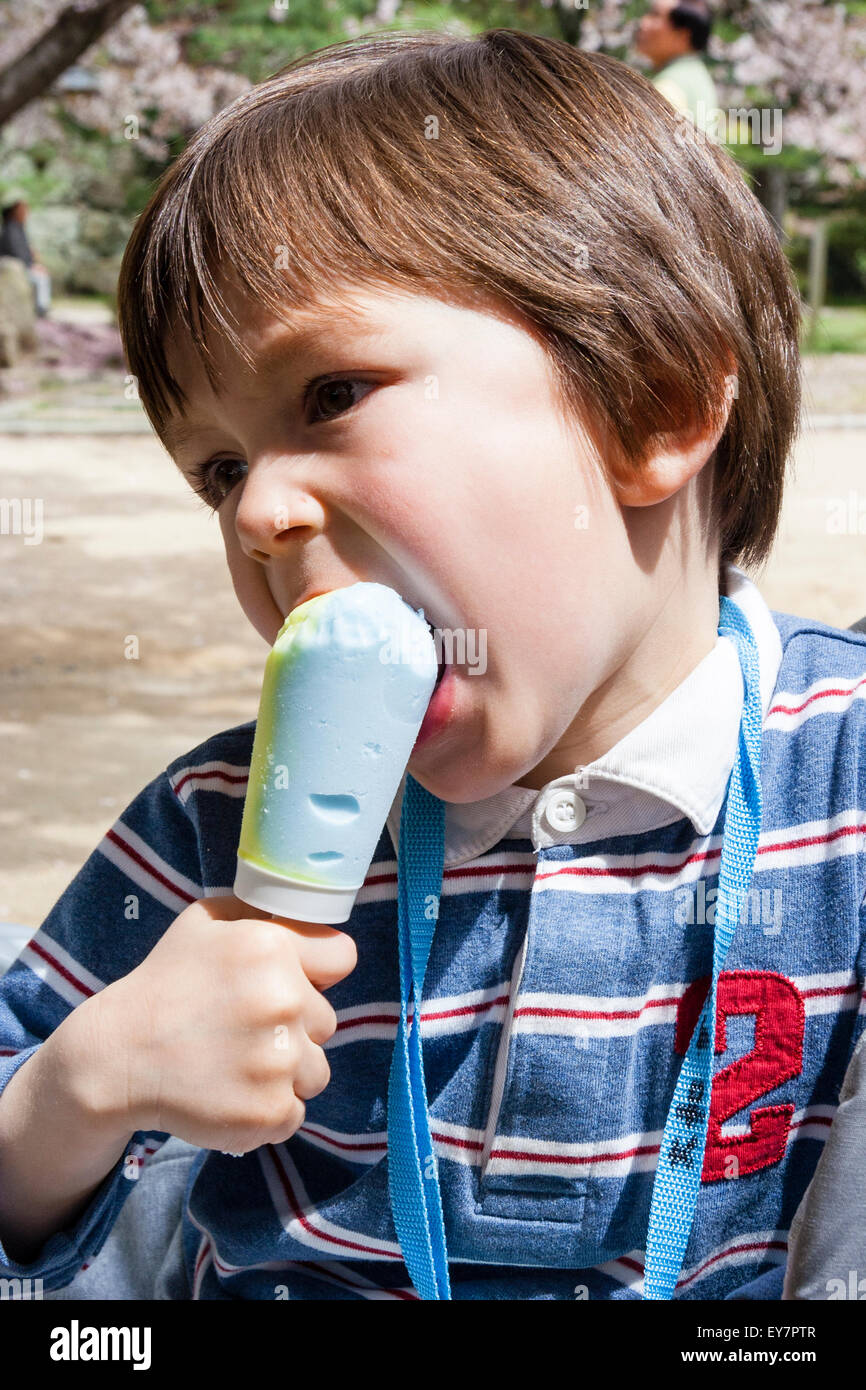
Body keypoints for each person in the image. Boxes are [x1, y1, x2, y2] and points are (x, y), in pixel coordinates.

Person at [0, 28, 864, 1302]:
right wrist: (78, 1093)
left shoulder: (835, 784)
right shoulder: (211, 830)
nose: (257, 514)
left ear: (656, 399)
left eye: (330, 393)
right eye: (219, 469)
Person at [635, 0, 719, 134]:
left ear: (683, 35)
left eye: (655, 15)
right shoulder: (696, 74)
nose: (643, 23)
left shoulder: (669, 86)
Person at [0, 199, 51, 318]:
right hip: (12, 268)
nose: (26, 213)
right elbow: (16, 253)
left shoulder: (18, 228)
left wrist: (33, 256)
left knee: (41, 276)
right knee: (41, 278)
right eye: (23, 210)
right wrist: (32, 266)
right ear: (14, 212)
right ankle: (41, 308)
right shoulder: (11, 230)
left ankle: (40, 308)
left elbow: (24, 251)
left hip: (19, 266)